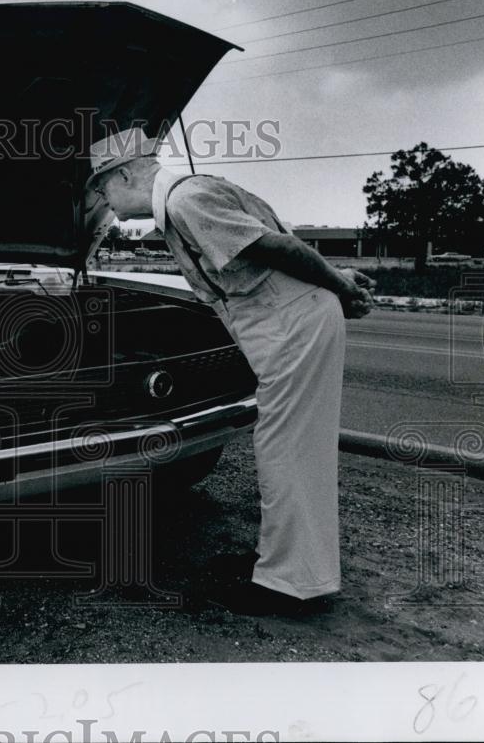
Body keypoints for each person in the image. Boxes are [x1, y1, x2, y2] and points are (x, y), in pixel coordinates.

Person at [86, 127, 375, 615]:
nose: (102, 199)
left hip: (291, 324)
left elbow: (280, 250)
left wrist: (341, 289)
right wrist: (337, 280)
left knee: (284, 450)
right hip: (289, 320)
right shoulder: (189, 198)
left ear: (129, 173)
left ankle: (287, 585)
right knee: (293, 449)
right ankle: (286, 564)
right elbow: (278, 245)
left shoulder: (186, 201)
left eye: (102, 186)